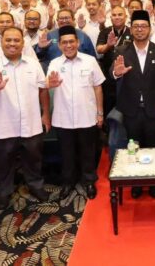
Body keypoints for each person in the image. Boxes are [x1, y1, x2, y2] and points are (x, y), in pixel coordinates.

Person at [0, 27, 51, 209]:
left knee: (33, 159)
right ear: (1, 42)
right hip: (4, 124)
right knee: (3, 162)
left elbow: (43, 90)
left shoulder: (33, 64)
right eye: (8, 40)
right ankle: (4, 192)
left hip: (31, 122)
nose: (12, 44)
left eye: (16, 40)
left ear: (23, 43)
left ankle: (35, 186)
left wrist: (46, 114)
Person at [111, 10, 155, 199]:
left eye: (143, 26)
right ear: (131, 29)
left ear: (149, 29)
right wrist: (117, 73)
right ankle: (136, 183)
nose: (139, 30)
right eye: (136, 26)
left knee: (154, 146)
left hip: (154, 109)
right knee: (134, 148)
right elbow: (111, 74)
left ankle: (154, 182)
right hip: (131, 109)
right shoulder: (121, 51)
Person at [47, 26, 105, 200]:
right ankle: (68, 182)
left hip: (87, 116)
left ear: (78, 43)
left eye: (71, 41)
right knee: (67, 153)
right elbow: (48, 84)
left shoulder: (90, 61)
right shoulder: (54, 63)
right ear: (59, 45)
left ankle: (89, 181)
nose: (68, 45)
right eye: (64, 42)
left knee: (88, 152)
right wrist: (51, 83)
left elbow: (98, 87)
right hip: (63, 117)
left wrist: (100, 113)